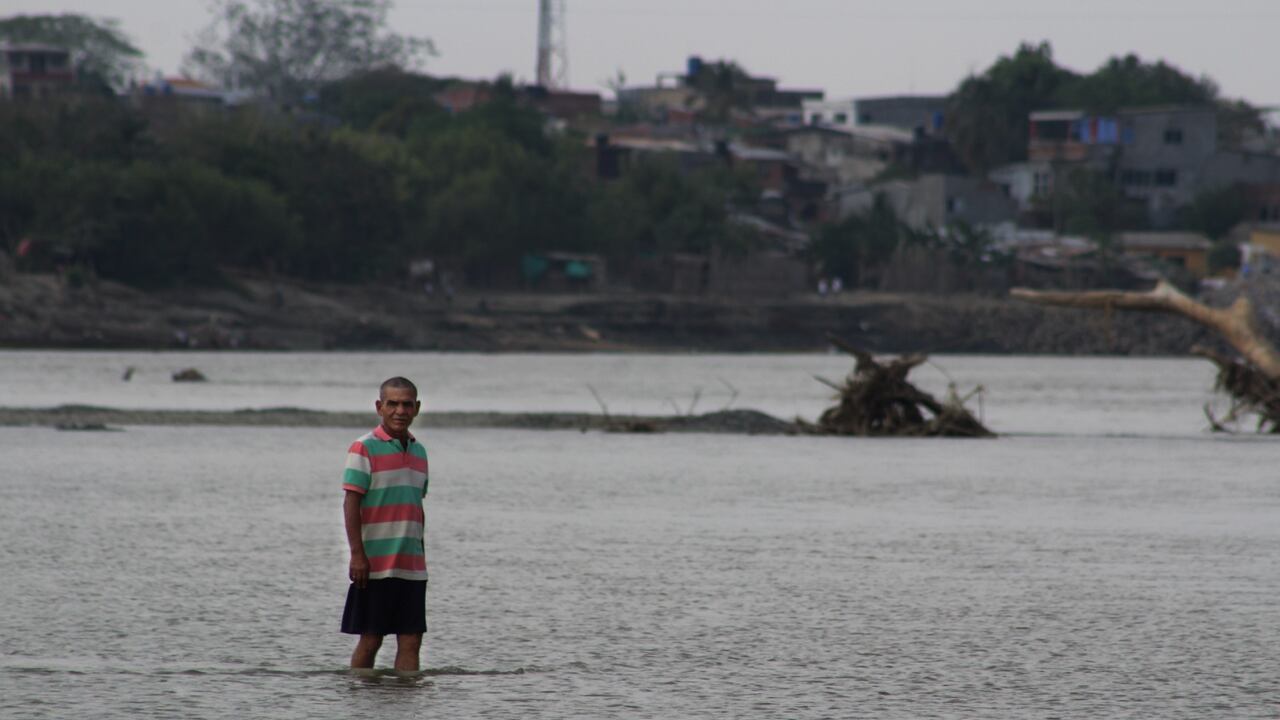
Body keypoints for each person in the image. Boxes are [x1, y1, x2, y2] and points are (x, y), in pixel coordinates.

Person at [341, 377, 430, 672]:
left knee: (411, 640)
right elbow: (351, 503)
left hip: (411, 565)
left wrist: (421, 555)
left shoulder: (419, 451)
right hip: (375, 564)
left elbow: (415, 507)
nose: (400, 411)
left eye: (407, 404)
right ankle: (359, 691)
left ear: (417, 408)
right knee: (371, 638)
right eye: (392, 404)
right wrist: (357, 555)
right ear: (380, 407)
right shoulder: (363, 448)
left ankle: (407, 693)